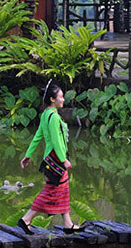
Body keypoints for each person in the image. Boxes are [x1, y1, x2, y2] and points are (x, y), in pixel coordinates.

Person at [17, 80, 83, 234]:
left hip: (51, 159)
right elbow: (56, 141)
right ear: (53, 99)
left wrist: (28, 155)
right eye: (61, 97)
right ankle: (26, 219)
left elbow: (37, 137)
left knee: (63, 189)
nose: (63, 99)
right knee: (51, 191)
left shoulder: (45, 114)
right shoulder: (53, 117)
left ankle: (68, 224)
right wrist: (63, 159)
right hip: (56, 159)